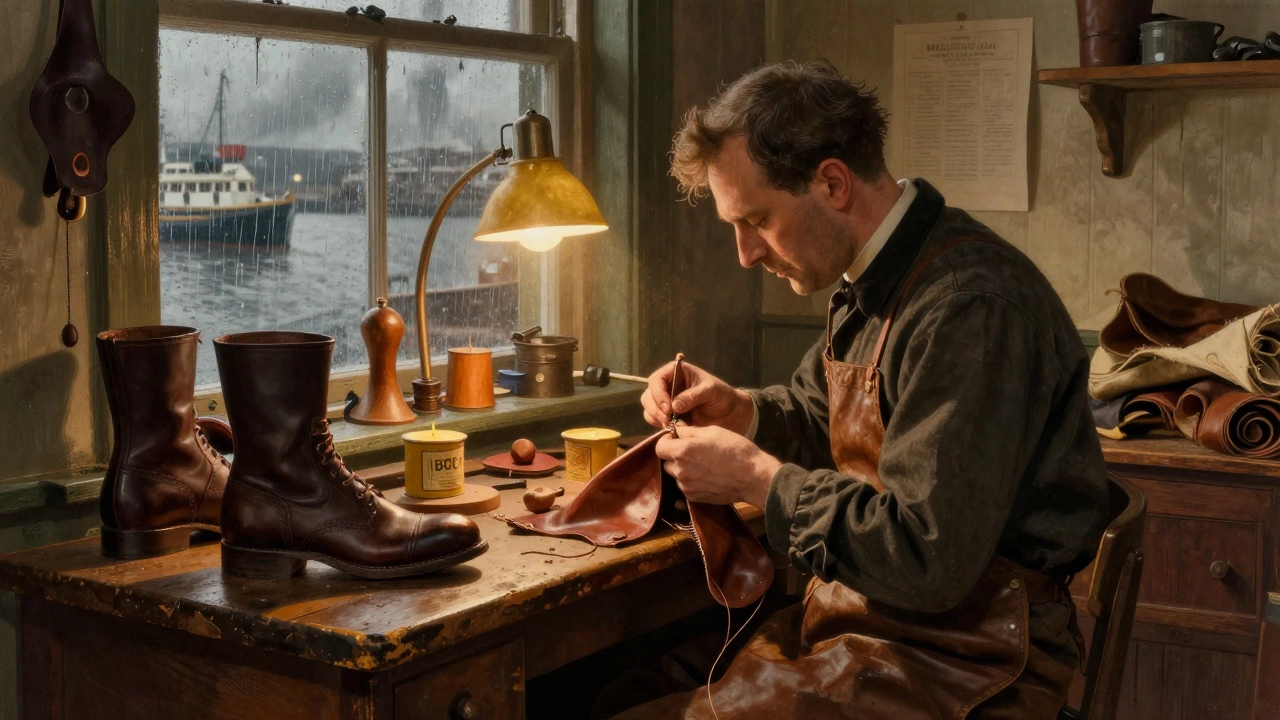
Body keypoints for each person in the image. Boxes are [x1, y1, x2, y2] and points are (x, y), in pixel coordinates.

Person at [627, 59, 1110, 718]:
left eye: (758, 221)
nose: (746, 254)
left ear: (832, 183)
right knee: (618, 686)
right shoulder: (877, 278)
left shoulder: (968, 307)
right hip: (875, 624)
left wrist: (758, 482)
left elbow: (925, 555)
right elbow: (822, 413)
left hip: (967, 652)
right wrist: (741, 412)